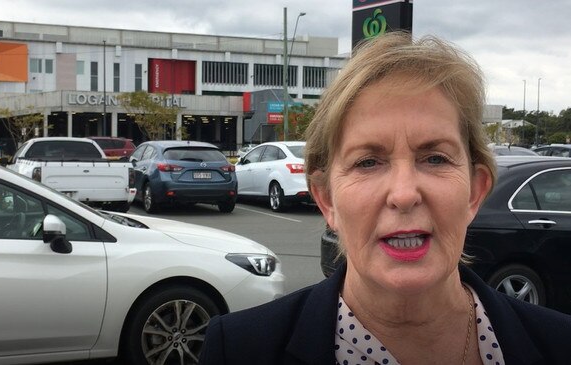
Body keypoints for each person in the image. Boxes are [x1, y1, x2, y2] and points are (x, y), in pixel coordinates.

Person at [199, 32, 571, 365]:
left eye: (435, 158)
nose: (405, 194)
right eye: (368, 162)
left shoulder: (559, 344)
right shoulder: (240, 349)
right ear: (327, 200)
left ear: (474, 191)